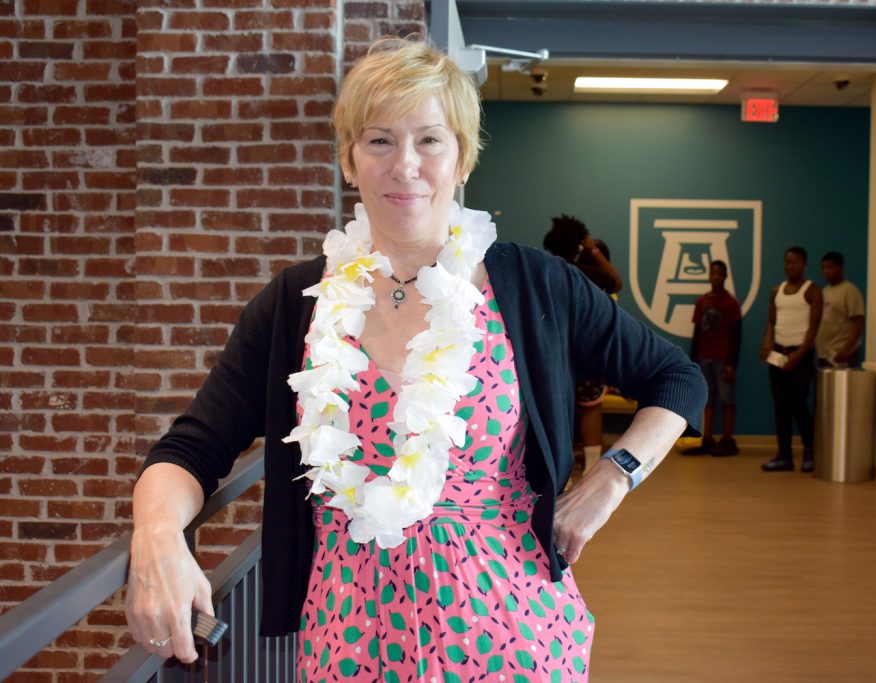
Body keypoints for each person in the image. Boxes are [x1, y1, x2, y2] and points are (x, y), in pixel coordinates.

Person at [125, 38, 706, 681]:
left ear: (462, 158)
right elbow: (193, 448)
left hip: (511, 631)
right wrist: (155, 538)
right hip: (349, 638)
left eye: (429, 139)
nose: (405, 165)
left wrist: (612, 477)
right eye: (379, 140)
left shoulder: (540, 286)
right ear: (350, 160)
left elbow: (676, 379)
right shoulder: (295, 305)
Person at [543, 214, 623, 472]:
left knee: (556, 411)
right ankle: (590, 470)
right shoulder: (587, 272)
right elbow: (616, 282)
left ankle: (558, 473)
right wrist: (594, 249)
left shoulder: (540, 268)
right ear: (580, 244)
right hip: (585, 352)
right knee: (590, 408)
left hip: (550, 351)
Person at [759, 246, 822, 473]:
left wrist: (800, 353)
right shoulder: (777, 290)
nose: (790, 266)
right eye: (787, 262)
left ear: (804, 264)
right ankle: (784, 454)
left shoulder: (812, 290)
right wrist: (767, 344)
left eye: (795, 262)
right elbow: (771, 322)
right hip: (778, 353)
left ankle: (810, 451)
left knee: (799, 404)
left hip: (800, 355)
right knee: (780, 406)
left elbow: (813, 327)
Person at [682, 260, 742, 456]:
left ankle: (727, 440)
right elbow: (697, 332)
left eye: (720, 274)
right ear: (709, 275)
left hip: (723, 359)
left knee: (727, 399)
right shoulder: (701, 302)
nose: (716, 277)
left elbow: (737, 335)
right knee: (707, 400)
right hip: (704, 358)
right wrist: (693, 361)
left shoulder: (731, 303)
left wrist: (732, 363)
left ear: (725, 276)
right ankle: (706, 439)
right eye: (713, 273)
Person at [816, 251, 865, 368]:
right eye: (823, 268)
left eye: (830, 267)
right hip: (824, 353)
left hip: (841, 353)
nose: (826, 271)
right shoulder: (824, 291)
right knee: (824, 386)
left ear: (841, 268)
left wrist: (846, 349)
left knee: (840, 386)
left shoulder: (850, 290)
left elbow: (858, 322)